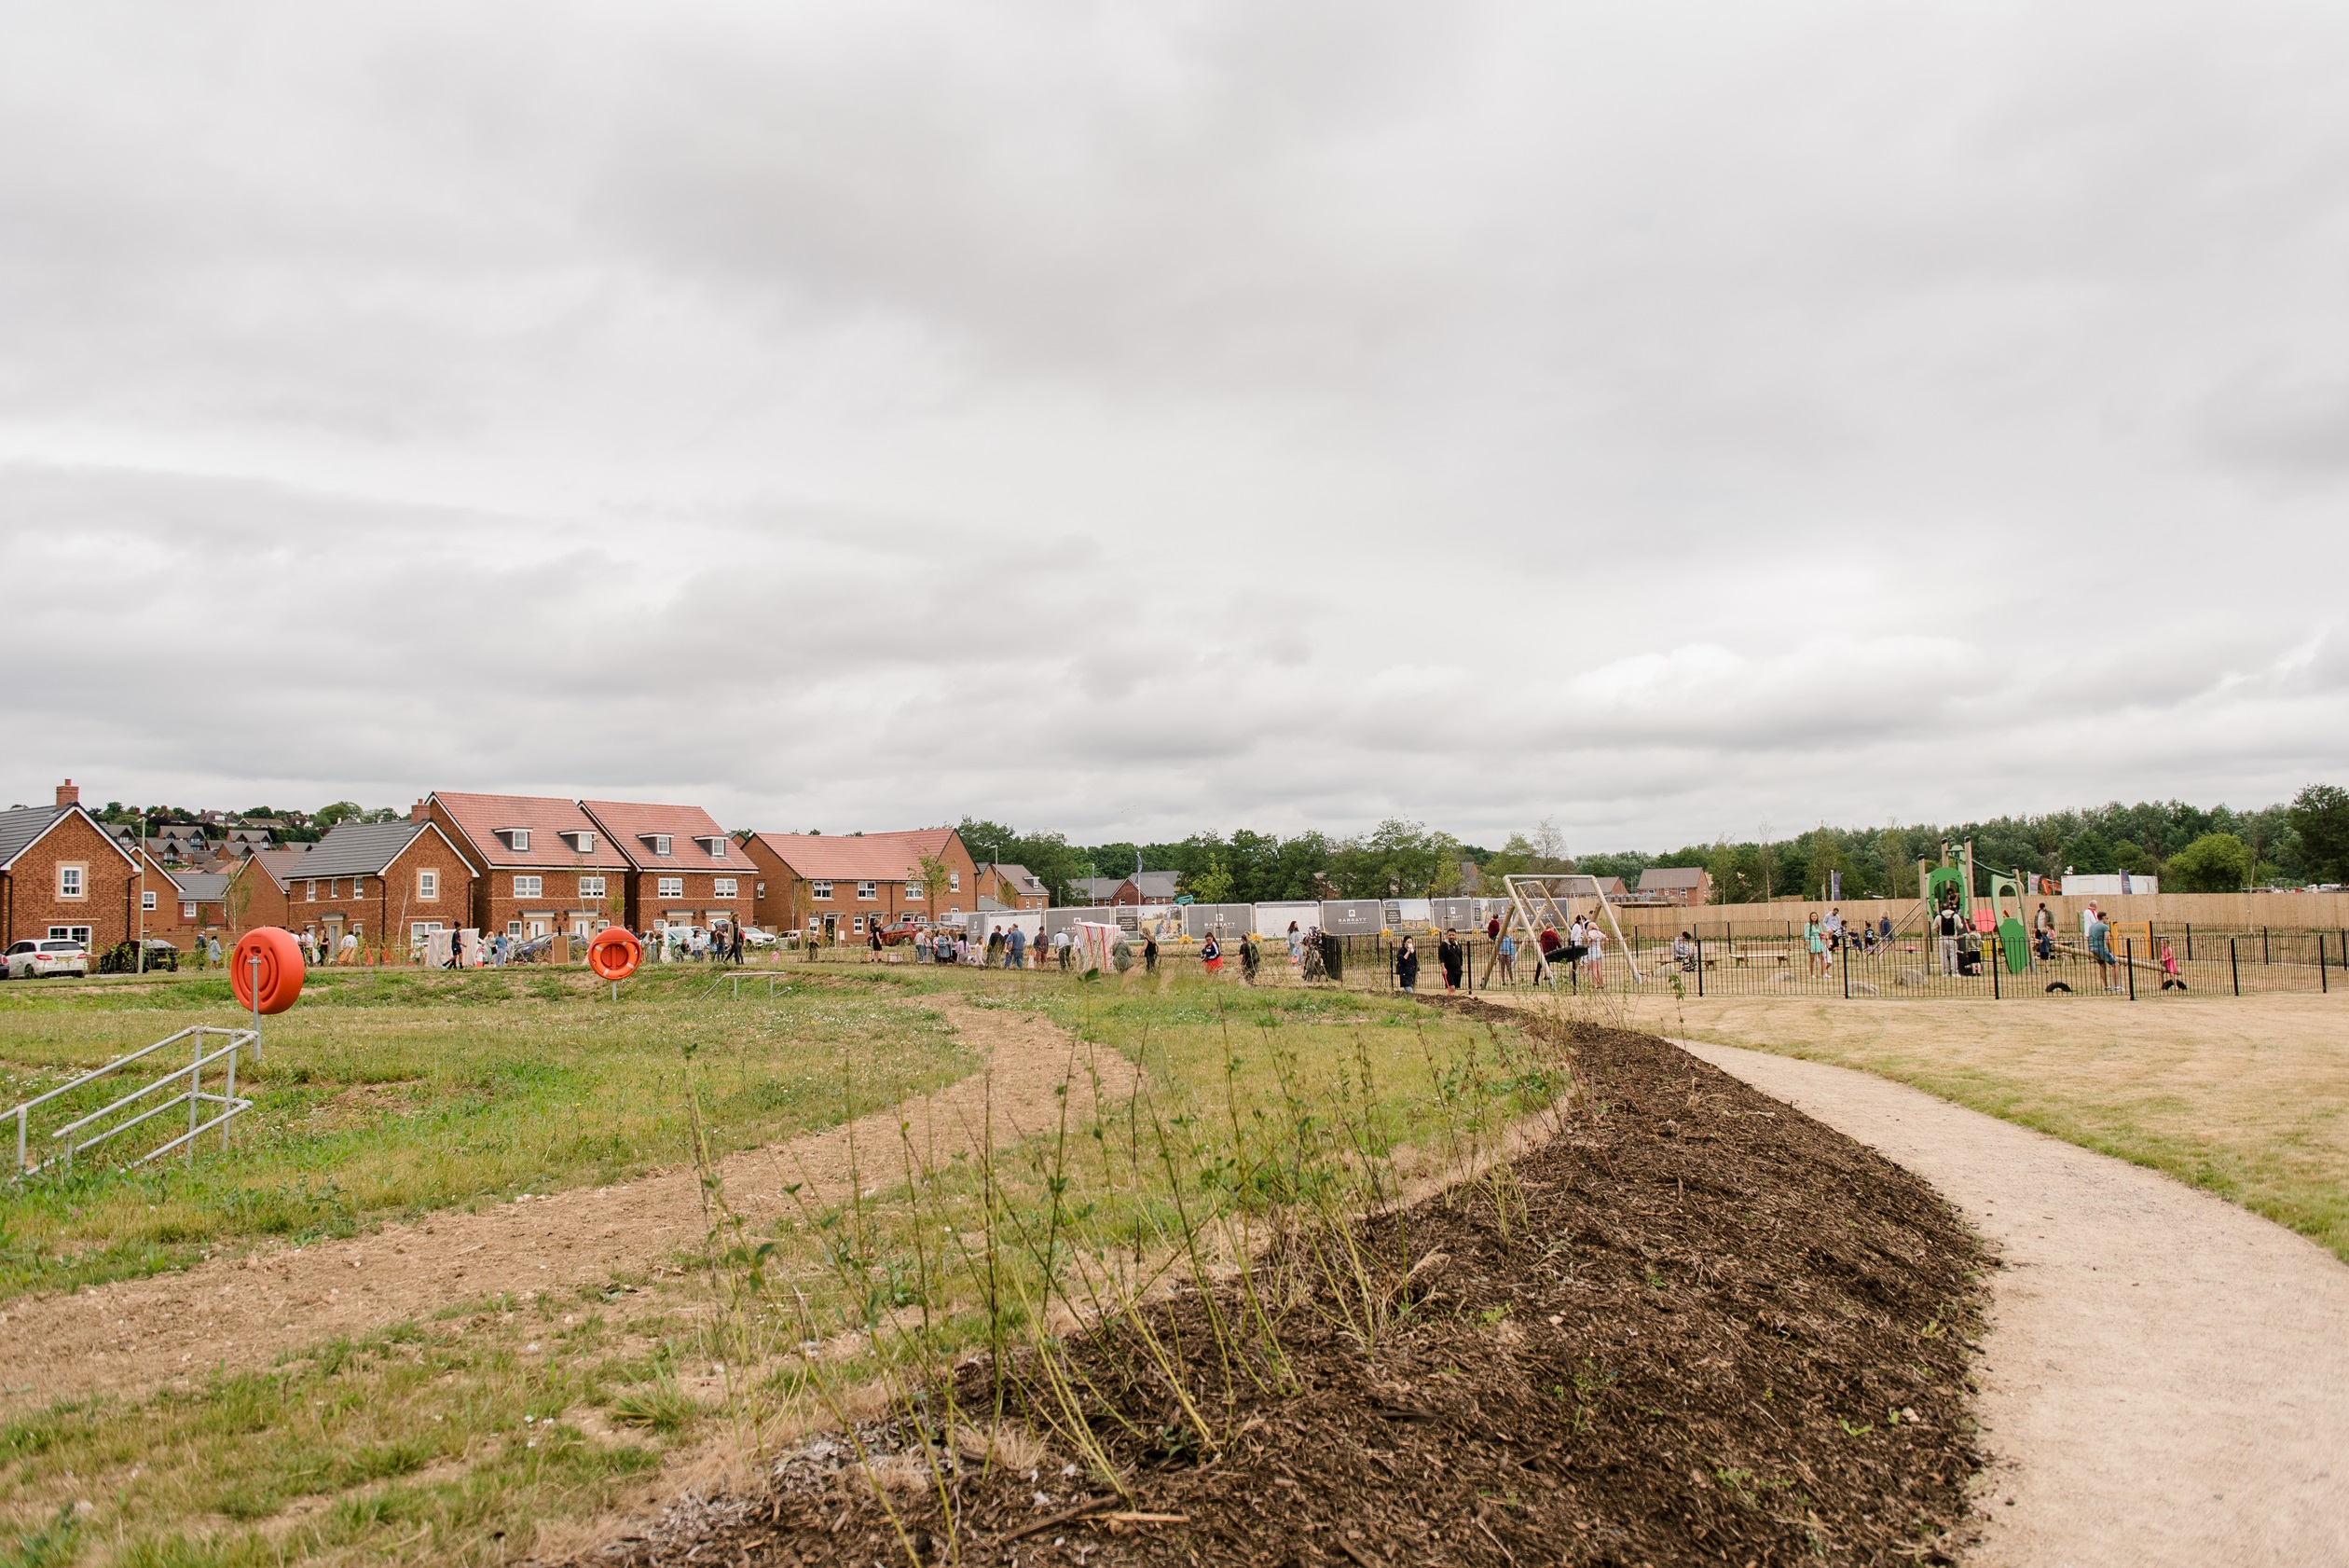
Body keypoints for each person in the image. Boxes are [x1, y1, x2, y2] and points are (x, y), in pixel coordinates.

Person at [2087, 908, 2119, 990]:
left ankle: (2106, 986)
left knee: (2102, 965)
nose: (2107, 919)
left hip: (2092, 948)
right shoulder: (2105, 927)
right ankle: (2116, 986)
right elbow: (2108, 941)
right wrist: (2111, 951)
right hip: (2100, 948)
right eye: (2107, 918)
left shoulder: (2092, 926)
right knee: (2115, 965)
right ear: (2104, 918)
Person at [1937, 900, 1961, 977]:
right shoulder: (1955, 916)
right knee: (1953, 955)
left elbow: (1934, 927)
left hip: (1942, 938)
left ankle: (1944, 972)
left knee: (1943, 956)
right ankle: (1954, 972)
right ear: (1949, 908)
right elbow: (1960, 926)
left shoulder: (1939, 917)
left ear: (1942, 908)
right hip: (1952, 938)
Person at [1437, 928, 1464, 993]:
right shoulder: (1443, 945)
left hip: (1457, 970)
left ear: (1456, 935)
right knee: (1451, 988)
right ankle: (1450, 1001)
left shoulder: (1458, 945)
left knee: (1454, 988)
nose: (1451, 937)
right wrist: (1443, 968)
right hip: (1448, 970)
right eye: (1450, 935)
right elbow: (1441, 958)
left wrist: (1461, 967)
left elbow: (1460, 957)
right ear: (1447, 935)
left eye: (1453, 935)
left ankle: (1451, 1000)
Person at [1805, 913, 1826, 977]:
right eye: (1812, 916)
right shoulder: (1808, 925)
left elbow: (1821, 932)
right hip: (1812, 941)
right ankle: (1812, 974)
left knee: (1822, 957)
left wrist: (1824, 937)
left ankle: (1824, 973)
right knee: (1812, 958)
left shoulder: (1818, 924)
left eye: (1815, 916)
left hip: (1818, 941)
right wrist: (1808, 945)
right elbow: (1806, 935)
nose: (1814, 917)